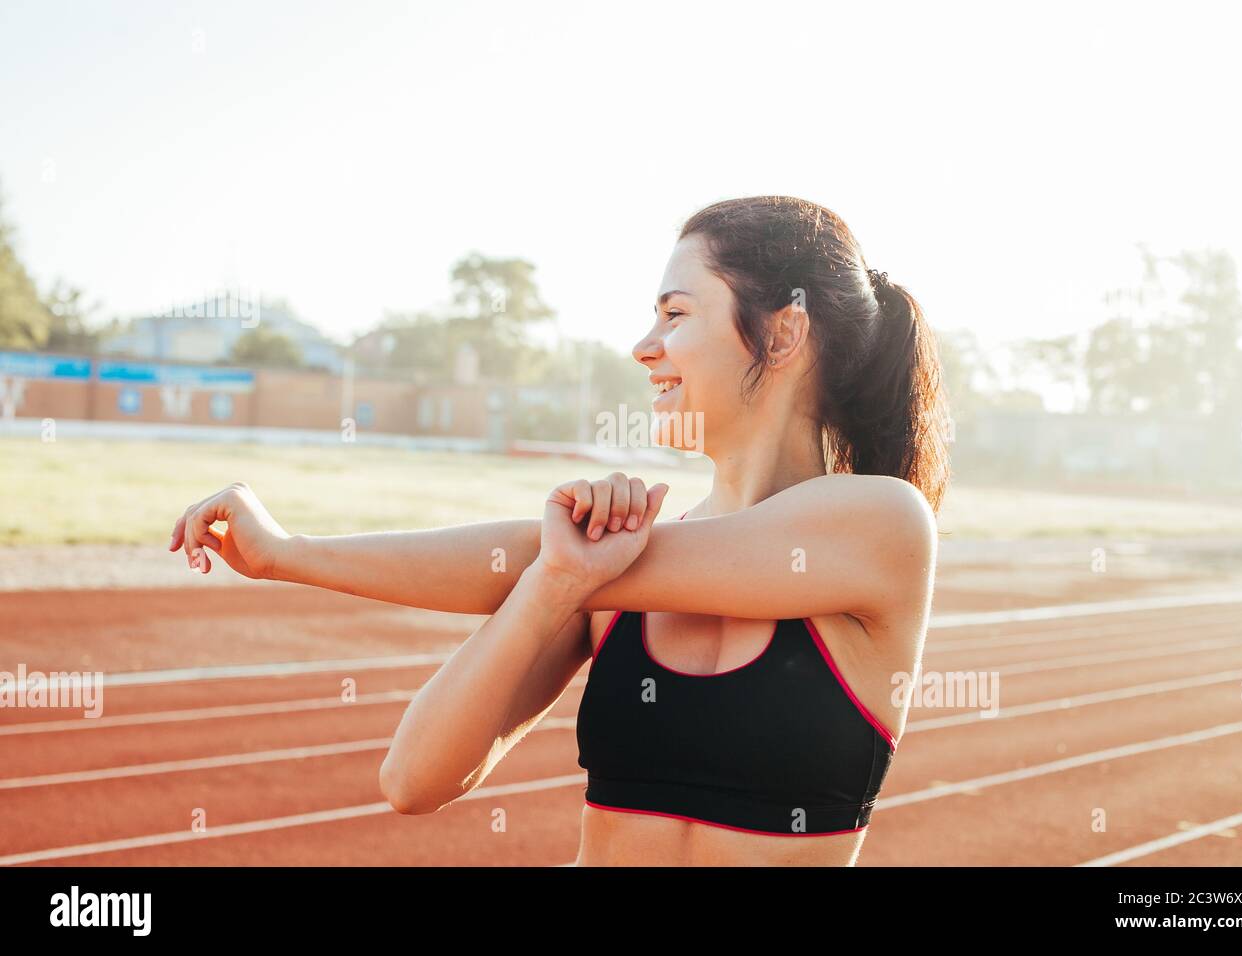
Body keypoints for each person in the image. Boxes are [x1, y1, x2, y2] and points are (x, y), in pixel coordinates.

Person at [169, 195, 950, 865]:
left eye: (675, 314)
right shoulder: (598, 569)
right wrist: (552, 584)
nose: (644, 347)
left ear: (781, 335)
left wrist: (291, 555)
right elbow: (413, 780)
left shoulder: (880, 524)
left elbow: (560, 558)